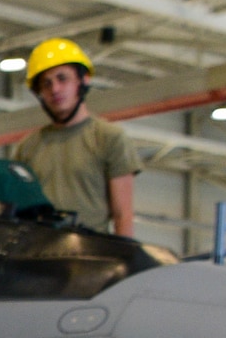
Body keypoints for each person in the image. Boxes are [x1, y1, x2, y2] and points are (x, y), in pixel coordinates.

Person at [13, 37, 139, 236]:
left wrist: (124, 263)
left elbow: (123, 215)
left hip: (91, 256)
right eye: (46, 84)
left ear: (83, 79)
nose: (55, 89)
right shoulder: (27, 147)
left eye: (62, 78)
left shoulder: (109, 137)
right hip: (38, 255)